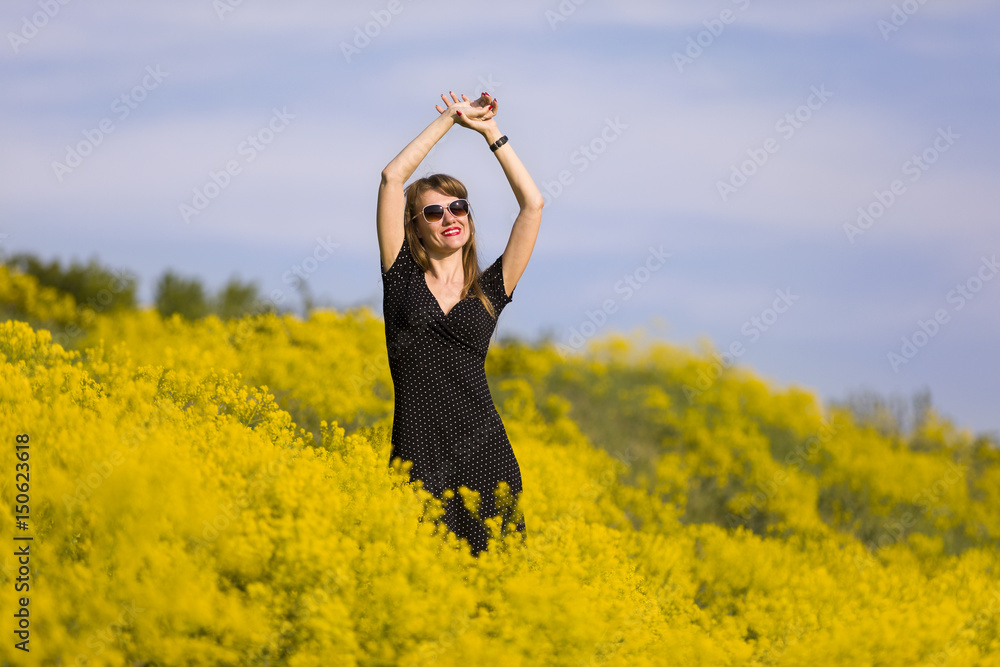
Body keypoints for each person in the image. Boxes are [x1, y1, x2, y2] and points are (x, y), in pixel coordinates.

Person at [377, 91, 544, 557]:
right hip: (417, 451)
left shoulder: (489, 289)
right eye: (434, 211)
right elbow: (393, 178)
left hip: (486, 453)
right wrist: (450, 120)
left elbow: (532, 205)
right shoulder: (400, 278)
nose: (449, 217)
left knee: (498, 591)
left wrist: (491, 134)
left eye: (459, 207)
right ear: (416, 225)